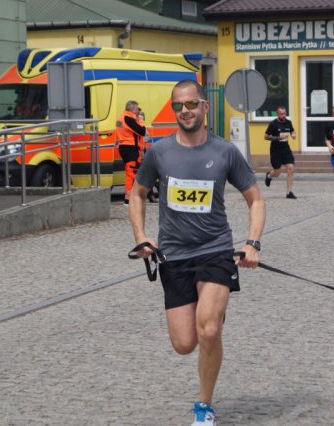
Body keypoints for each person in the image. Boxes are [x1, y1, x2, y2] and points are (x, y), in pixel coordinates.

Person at [128, 79, 265, 426]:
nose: (185, 110)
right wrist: (142, 237)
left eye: (191, 104)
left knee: (209, 331)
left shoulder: (225, 152)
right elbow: (137, 193)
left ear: (205, 106)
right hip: (173, 256)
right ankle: (210, 316)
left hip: (215, 251)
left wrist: (252, 243)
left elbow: (255, 199)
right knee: (184, 343)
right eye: (178, 106)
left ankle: (204, 406)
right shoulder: (159, 152)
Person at [116, 100, 146, 205]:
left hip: (125, 147)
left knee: (130, 173)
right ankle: (130, 198)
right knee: (133, 173)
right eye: (137, 108)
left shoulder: (121, 117)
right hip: (130, 148)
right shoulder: (128, 118)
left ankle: (128, 198)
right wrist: (141, 120)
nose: (138, 110)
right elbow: (142, 131)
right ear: (132, 109)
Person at [263, 106, 297, 199]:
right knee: (277, 172)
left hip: (286, 149)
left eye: (284, 113)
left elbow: (292, 131)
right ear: (278, 114)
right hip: (275, 150)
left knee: (290, 168)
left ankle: (289, 192)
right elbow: (265, 136)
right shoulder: (273, 124)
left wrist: (293, 135)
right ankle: (269, 175)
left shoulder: (288, 122)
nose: (283, 115)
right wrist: (277, 138)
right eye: (281, 114)